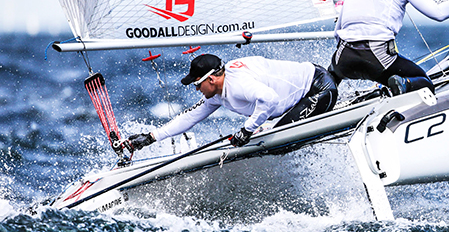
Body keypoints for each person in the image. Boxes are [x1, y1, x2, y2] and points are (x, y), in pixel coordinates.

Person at [128, 53, 337, 150]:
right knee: (271, 141)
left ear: (211, 79)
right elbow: (189, 117)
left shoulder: (237, 84)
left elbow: (269, 99)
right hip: (306, 88)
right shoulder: (217, 93)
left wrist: (247, 130)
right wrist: (151, 137)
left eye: (197, 85)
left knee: (278, 145)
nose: (197, 90)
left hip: (318, 89)